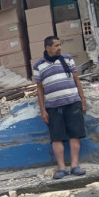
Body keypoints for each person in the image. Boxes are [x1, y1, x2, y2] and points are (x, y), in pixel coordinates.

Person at [33, 36, 87, 179]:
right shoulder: (38, 65)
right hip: (53, 106)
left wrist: (83, 100)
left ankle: (75, 165)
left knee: (75, 135)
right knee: (56, 138)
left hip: (72, 102)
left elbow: (76, 79)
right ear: (48, 48)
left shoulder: (68, 59)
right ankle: (62, 168)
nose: (59, 48)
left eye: (60, 45)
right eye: (56, 45)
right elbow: (39, 89)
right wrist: (43, 110)